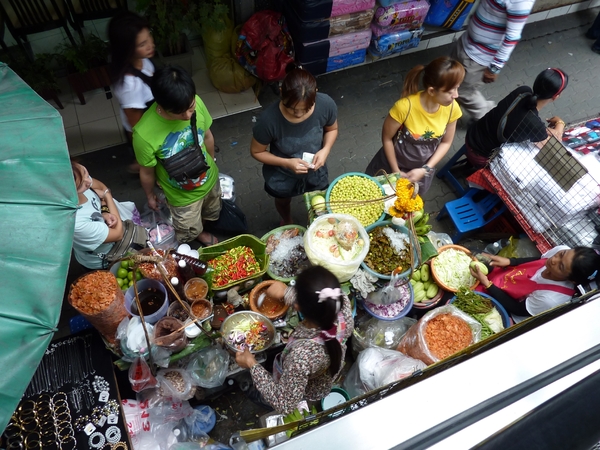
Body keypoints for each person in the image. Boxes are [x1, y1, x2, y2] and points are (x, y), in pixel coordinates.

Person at [235, 266, 354, 415]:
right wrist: (286, 292)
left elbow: (284, 404)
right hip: (325, 366)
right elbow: (316, 299)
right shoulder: (338, 299)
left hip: (308, 384)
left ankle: (290, 400)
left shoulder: (301, 358)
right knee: (295, 383)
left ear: (297, 306)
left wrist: (251, 364)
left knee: (284, 395)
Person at [133, 66, 221, 246]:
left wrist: (212, 161)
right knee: (189, 227)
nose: (189, 115)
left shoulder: (195, 101)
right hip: (182, 197)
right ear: (162, 106)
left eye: (190, 108)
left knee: (211, 212)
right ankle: (198, 234)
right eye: (181, 113)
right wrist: (150, 195)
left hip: (210, 179)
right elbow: (147, 172)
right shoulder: (143, 134)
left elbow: (208, 136)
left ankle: (202, 227)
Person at [250, 68, 338, 225]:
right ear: (281, 92)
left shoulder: (326, 104)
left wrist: (325, 150)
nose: (298, 114)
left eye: (305, 109)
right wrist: (287, 163)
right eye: (292, 108)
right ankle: (288, 220)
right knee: (283, 201)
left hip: (315, 170)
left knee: (319, 199)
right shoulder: (268, 121)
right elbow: (257, 151)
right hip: (282, 174)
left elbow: (332, 129)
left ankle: (318, 222)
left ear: (315, 94)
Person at [365, 56, 464, 194]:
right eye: (450, 91)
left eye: (457, 88)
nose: (456, 95)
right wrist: (395, 172)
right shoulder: (404, 107)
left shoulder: (453, 109)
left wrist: (425, 169)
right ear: (431, 91)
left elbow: (446, 143)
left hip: (421, 171)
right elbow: (387, 139)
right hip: (390, 165)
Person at [464, 68, 569, 168]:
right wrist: (560, 123)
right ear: (555, 97)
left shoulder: (522, 91)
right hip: (480, 156)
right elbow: (553, 146)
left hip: (472, 134)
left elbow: (521, 121)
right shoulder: (534, 124)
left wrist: (544, 131)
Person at [449, 0, 535, 121]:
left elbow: (512, 37)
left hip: (478, 58)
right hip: (465, 43)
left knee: (463, 91)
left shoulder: (521, 2)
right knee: (450, 79)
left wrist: (494, 68)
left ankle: (487, 117)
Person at [471, 246, 600, 322]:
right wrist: (510, 261)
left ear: (572, 280)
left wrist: (488, 285)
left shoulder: (551, 299)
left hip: (509, 309)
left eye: (561, 266)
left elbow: (516, 309)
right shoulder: (562, 249)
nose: (554, 260)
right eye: (561, 255)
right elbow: (539, 260)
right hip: (511, 278)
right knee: (475, 257)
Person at [108, 11, 156, 173]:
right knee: (148, 165)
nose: (150, 44)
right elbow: (137, 126)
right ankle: (140, 167)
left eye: (149, 37)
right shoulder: (130, 85)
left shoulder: (142, 60)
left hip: (153, 121)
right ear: (127, 49)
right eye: (142, 44)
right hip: (146, 131)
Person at [71, 162, 140, 269]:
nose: (89, 181)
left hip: (111, 239)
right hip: (106, 259)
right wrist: (107, 196)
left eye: (86, 172)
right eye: (81, 186)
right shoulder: (76, 223)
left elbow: (102, 188)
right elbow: (118, 234)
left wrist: (104, 211)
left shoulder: (79, 177)